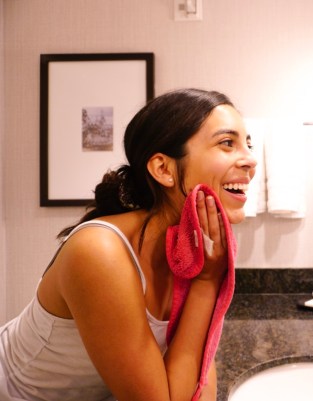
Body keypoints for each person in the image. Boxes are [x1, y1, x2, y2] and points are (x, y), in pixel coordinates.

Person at [0, 88, 257, 401]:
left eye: (248, 144)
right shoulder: (99, 252)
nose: (250, 160)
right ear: (163, 169)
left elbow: (196, 382)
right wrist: (206, 282)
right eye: (227, 143)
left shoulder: (188, 249)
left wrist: (206, 277)